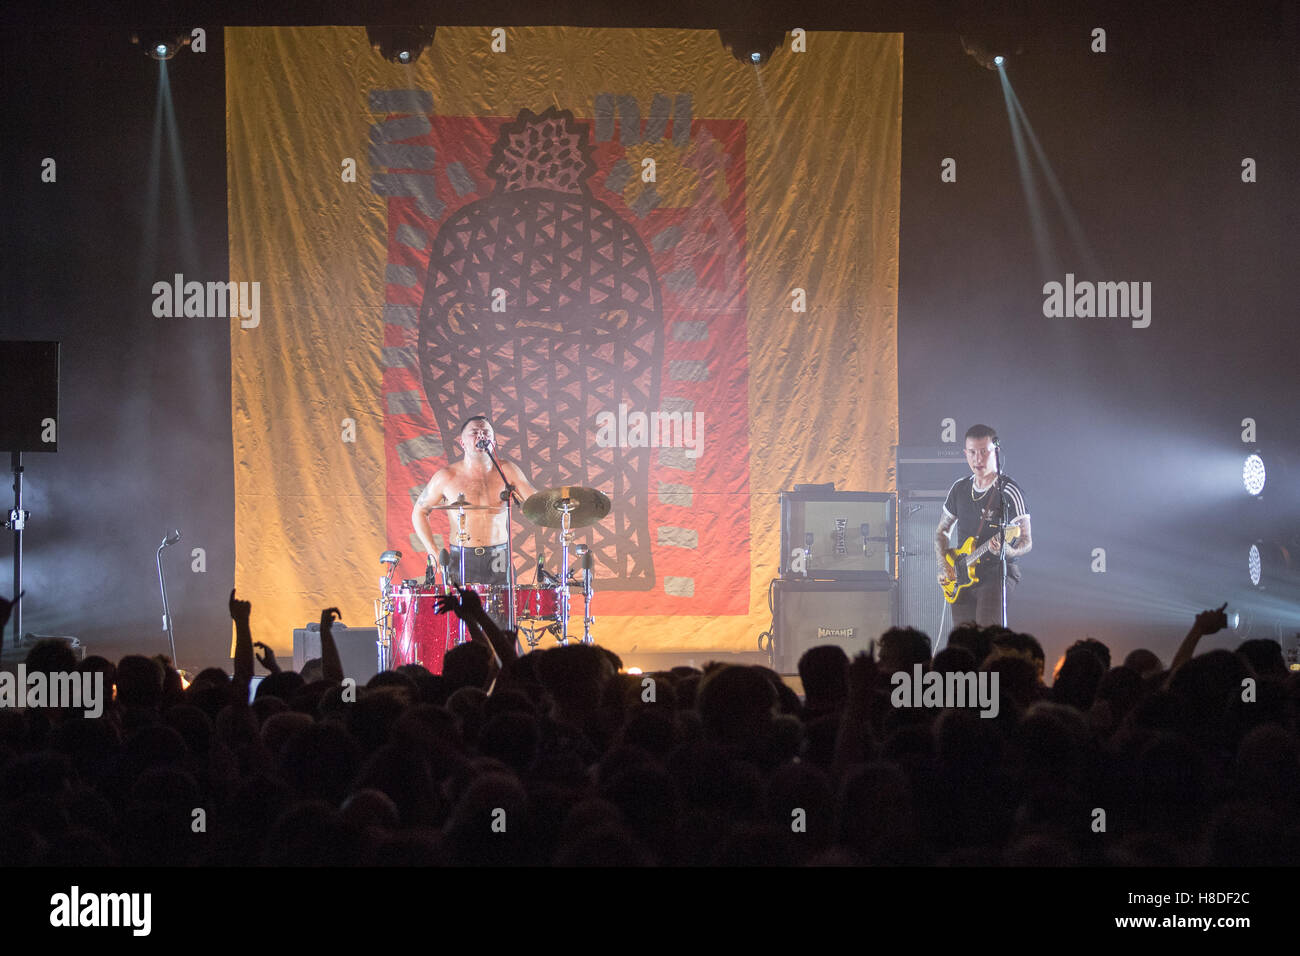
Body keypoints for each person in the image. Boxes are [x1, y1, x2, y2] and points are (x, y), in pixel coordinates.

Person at [411, 415, 538, 588]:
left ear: (493, 441)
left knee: (503, 612)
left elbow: (536, 501)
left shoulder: (507, 470)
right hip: (462, 556)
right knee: (463, 612)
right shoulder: (446, 476)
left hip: (499, 556)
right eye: (474, 432)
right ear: (462, 443)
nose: (481, 436)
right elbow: (419, 511)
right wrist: (432, 550)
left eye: (486, 432)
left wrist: (555, 503)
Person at [935, 424, 1032, 627]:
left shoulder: (1008, 490)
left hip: (995, 573)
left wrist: (1009, 550)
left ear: (995, 451)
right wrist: (946, 567)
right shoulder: (959, 488)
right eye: (972, 452)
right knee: (963, 639)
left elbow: (1026, 540)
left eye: (983, 452)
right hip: (962, 574)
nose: (977, 459)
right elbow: (942, 532)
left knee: (987, 631)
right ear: (965, 453)